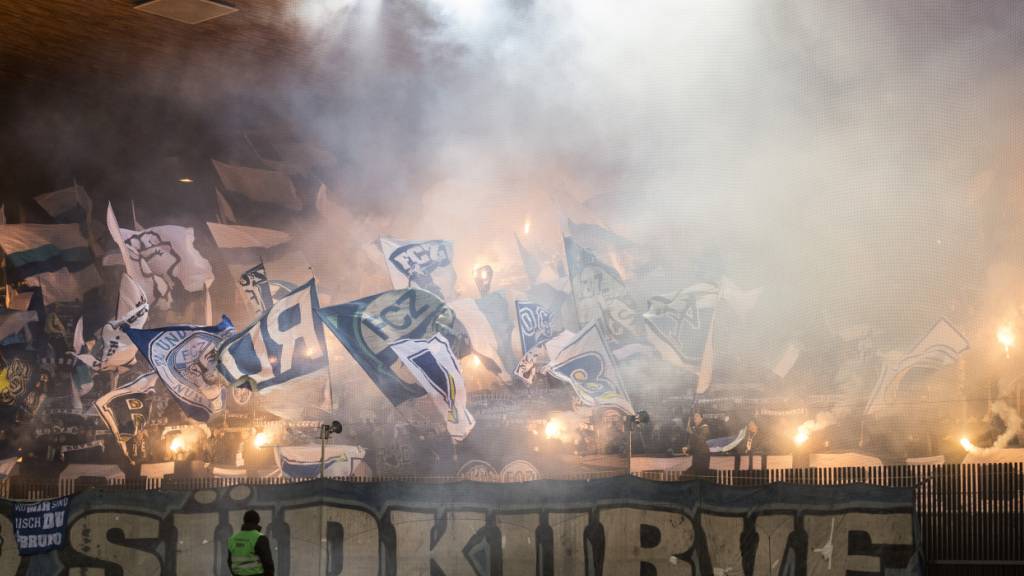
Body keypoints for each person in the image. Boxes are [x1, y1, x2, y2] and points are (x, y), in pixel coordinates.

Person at [228, 510, 274, 576]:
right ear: (257, 521)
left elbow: (230, 562)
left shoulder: (232, 539)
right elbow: (268, 563)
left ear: (244, 521)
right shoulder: (260, 538)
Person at [687, 411, 711, 478]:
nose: (695, 419)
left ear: (701, 418)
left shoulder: (705, 428)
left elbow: (701, 440)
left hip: (703, 455)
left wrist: (692, 432)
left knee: (702, 475)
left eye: (697, 417)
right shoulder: (694, 429)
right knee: (695, 475)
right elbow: (691, 443)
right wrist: (687, 449)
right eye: (694, 417)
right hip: (696, 455)